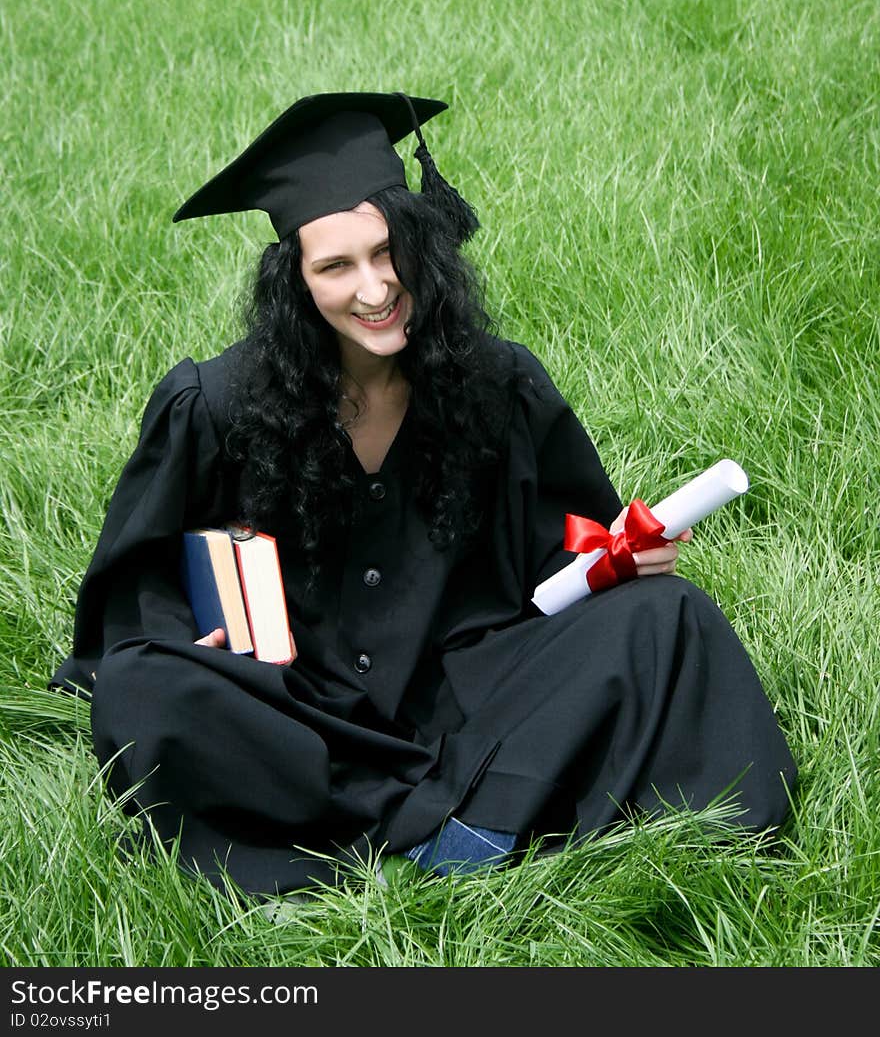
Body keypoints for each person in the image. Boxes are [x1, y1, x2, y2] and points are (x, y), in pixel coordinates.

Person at [52, 91, 797, 896]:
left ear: (421, 245)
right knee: (142, 688)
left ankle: (443, 833)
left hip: (469, 696)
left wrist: (615, 556)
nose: (375, 289)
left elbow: (558, 552)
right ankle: (472, 820)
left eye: (387, 252)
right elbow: (140, 587)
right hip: (298, 711)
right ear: (295, 281)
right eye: (336, 266)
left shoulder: (496, 383)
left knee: (668, 616)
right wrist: (191, 639)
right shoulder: (216, 404)